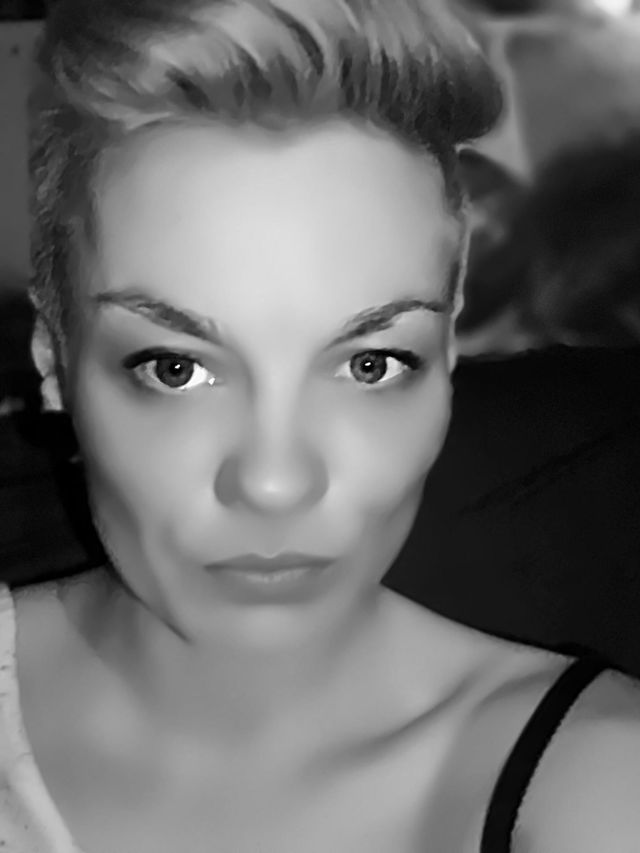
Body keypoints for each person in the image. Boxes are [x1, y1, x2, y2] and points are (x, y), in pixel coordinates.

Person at [5, 1, 640, 851]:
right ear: (54, 361)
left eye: (371, 364)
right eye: (176, 368)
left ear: (446, 352)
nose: (275, 481)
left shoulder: (599, 782)